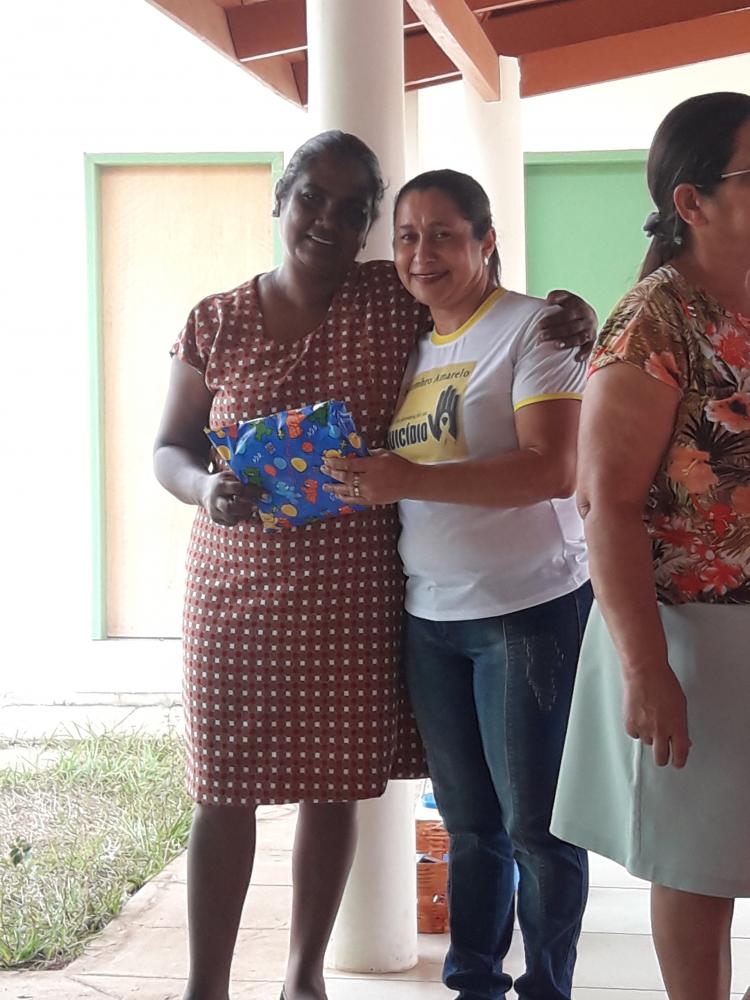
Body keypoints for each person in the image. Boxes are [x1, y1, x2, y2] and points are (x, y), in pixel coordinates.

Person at [153, 133, 595, 1000]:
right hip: (234, 587)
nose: (330, 219)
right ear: (280, 199)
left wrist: (571, 312)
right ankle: (206, 988)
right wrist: (204, 488)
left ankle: (303, 978)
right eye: (312, 197)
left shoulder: (388, 298)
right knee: (223, 789)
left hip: (357, 588)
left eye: (354, 208)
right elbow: (169, 447)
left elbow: (483, 304)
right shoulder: (215, 319)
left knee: (335, 785)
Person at [324, 169, 592, 1000]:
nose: (422, 253)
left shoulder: (535, 328)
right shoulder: (410, 344)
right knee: (470, 827)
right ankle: (473, 981)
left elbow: (552, 468)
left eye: (443, 233)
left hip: (528, 611)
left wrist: (407, 478)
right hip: (431, 616)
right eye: (407, 236)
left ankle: (547, 986)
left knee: (537, 828)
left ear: (486, 240)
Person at [549, 92, 750, 1000]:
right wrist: (647, 669)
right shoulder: (654, 321)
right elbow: (607, 505)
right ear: (692, 203)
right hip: (693, 636)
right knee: (699, 866)